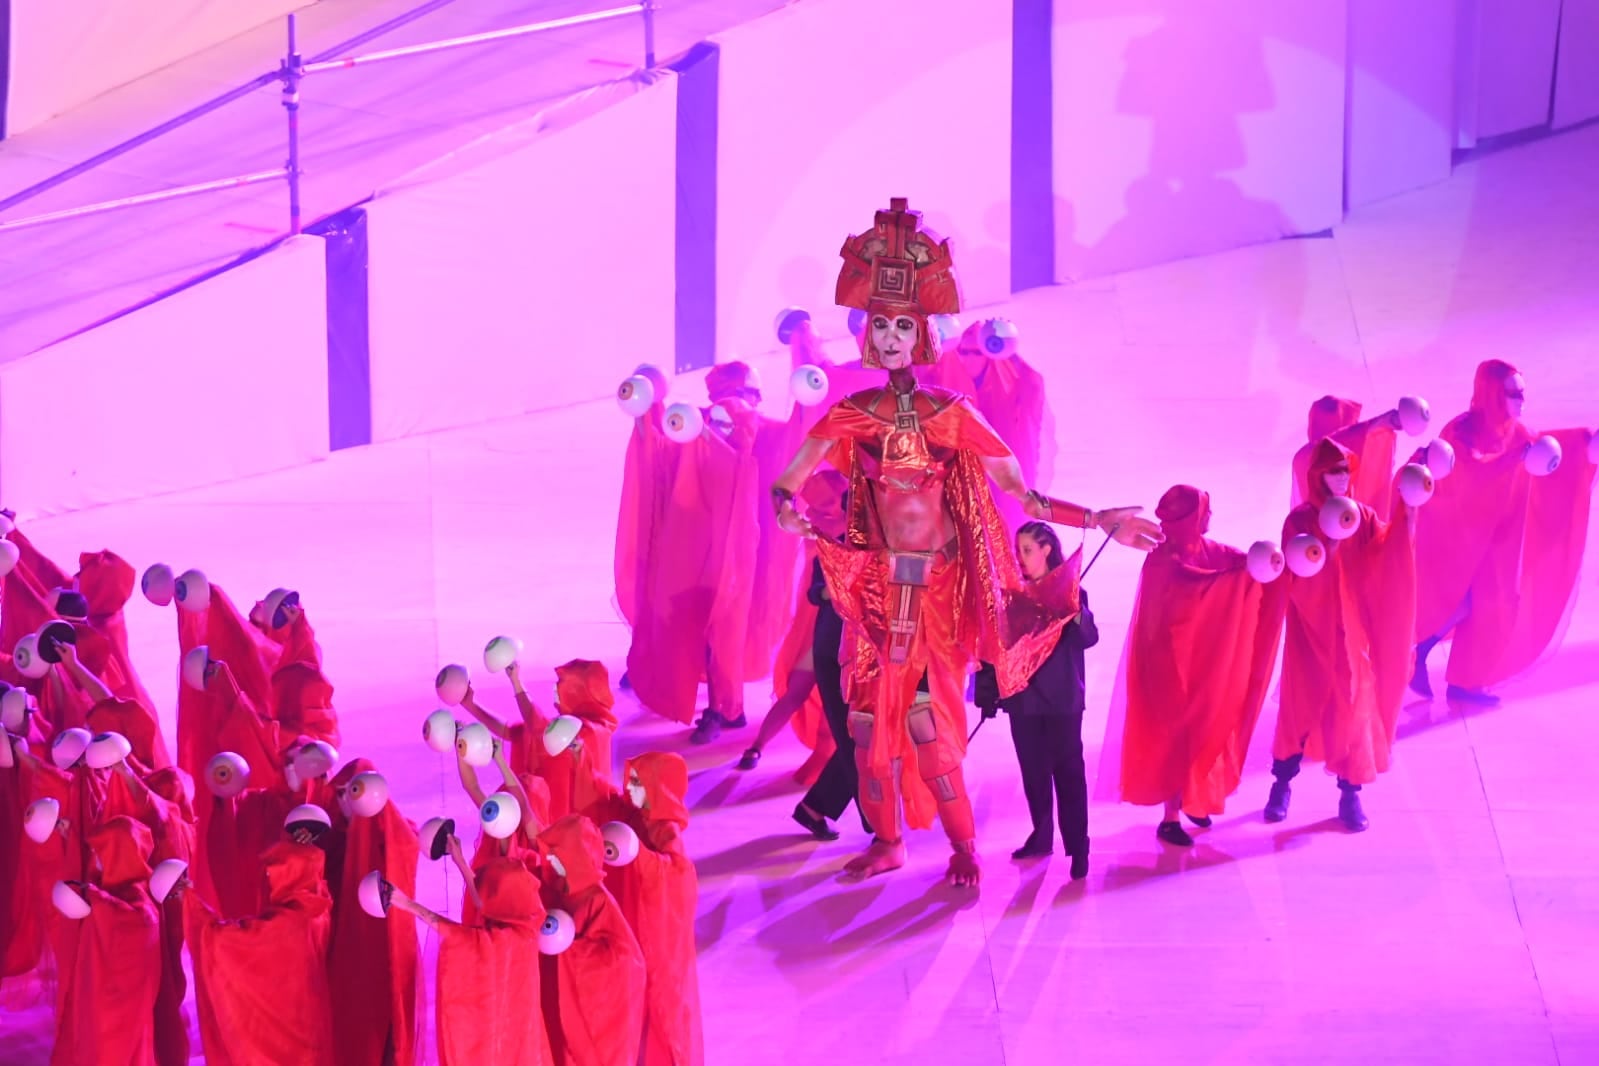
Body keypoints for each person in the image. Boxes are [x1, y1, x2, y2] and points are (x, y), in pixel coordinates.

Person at [770, 197, 1161, 885]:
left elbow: (1021, 490)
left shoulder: (951, 415)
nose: (890, 338)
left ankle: (961, 850)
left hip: (936, 597)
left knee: (928, 732)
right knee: (864, 733)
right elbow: (788, 481)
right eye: (881, 325)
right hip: (871, 592)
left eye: (903, 325)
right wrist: (787, 510)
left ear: (922, 333)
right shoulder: (851, 414)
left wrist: (1095, 517)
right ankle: (885, 842)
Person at [1095, 486, 1287, 846]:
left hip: (1201, 666)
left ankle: (1193, 798)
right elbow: (1193, 585)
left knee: (1203, 730)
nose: (1210, 517)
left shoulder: (1207, 551)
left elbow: (1233, 561)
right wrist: (1238, 579)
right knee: (1175, 740)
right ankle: (1170, 816)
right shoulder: (1163, 561)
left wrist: (1264, 564)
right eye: (1205, 511)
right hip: (1170, 671)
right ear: (1191, 517)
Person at [1411, 360, 1597, 701]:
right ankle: (1423, 653)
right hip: (1461, 536)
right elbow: (1466, 470)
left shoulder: (1518, 433)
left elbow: (1544, 448)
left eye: (1522, 392)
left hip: (1497, 540)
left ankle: (1462, 678)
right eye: (1513, 393)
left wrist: (1583, 443)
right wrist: (1511, 460)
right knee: (1460, 599)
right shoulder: (1461, 430)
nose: (1521, 400)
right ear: (1493, 394)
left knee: (1493, 604)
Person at [1268, 440, 1417, 831]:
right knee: (1299, 708)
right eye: (1333, 472)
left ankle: (1350, 795)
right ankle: (1281, 785)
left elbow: (1386, 552)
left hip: (1351, 635)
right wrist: (1327, 547)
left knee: (1353, 706)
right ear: (1318, 476)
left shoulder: (1361, 516)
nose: (1340, 479)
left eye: (1345, 471)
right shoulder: (1300, 521)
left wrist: (1407, 515)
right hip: (1311, 630)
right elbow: (1294, 570)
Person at [974, 523, 1095, 877]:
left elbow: (1089, 637)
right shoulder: (1012, 596)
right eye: (1018, 550)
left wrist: (1076, 614)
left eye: (1027, 549)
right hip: (1024, 700)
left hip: (1062, 701)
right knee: (1034, 773)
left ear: (1046, 550)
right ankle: (1041, 836)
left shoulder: (1072, 593)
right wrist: (988, 694)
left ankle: (1079, 846)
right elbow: (993, 649)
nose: (1021, 558)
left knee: (1070, 773)